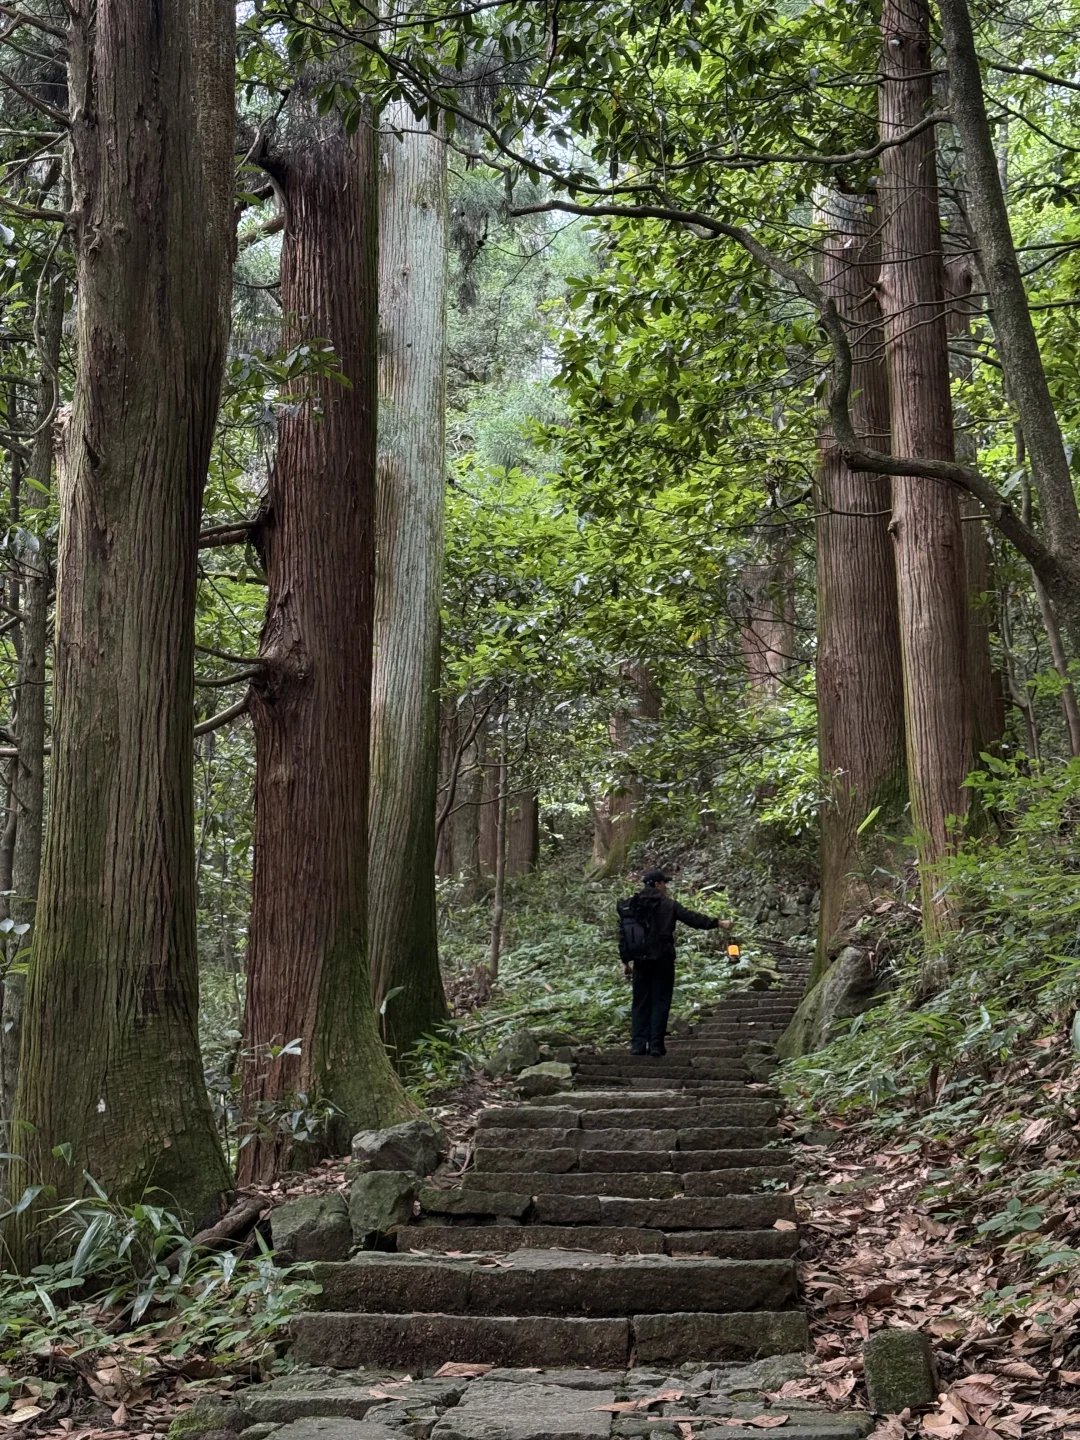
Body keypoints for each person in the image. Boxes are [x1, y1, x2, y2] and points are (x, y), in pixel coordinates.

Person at [619, 869, 732, 1057]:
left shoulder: (632, 905)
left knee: (640, 1002)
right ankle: (656, 1046)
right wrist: (718, 923)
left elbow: (624, 935)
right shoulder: (668, 905)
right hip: (663, 959)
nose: (666, 887)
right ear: (657, 884)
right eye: (664, 883)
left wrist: (625, 961)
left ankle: (638, 1045)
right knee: (660, 1001)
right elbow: (692, 918)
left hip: (640, 960)